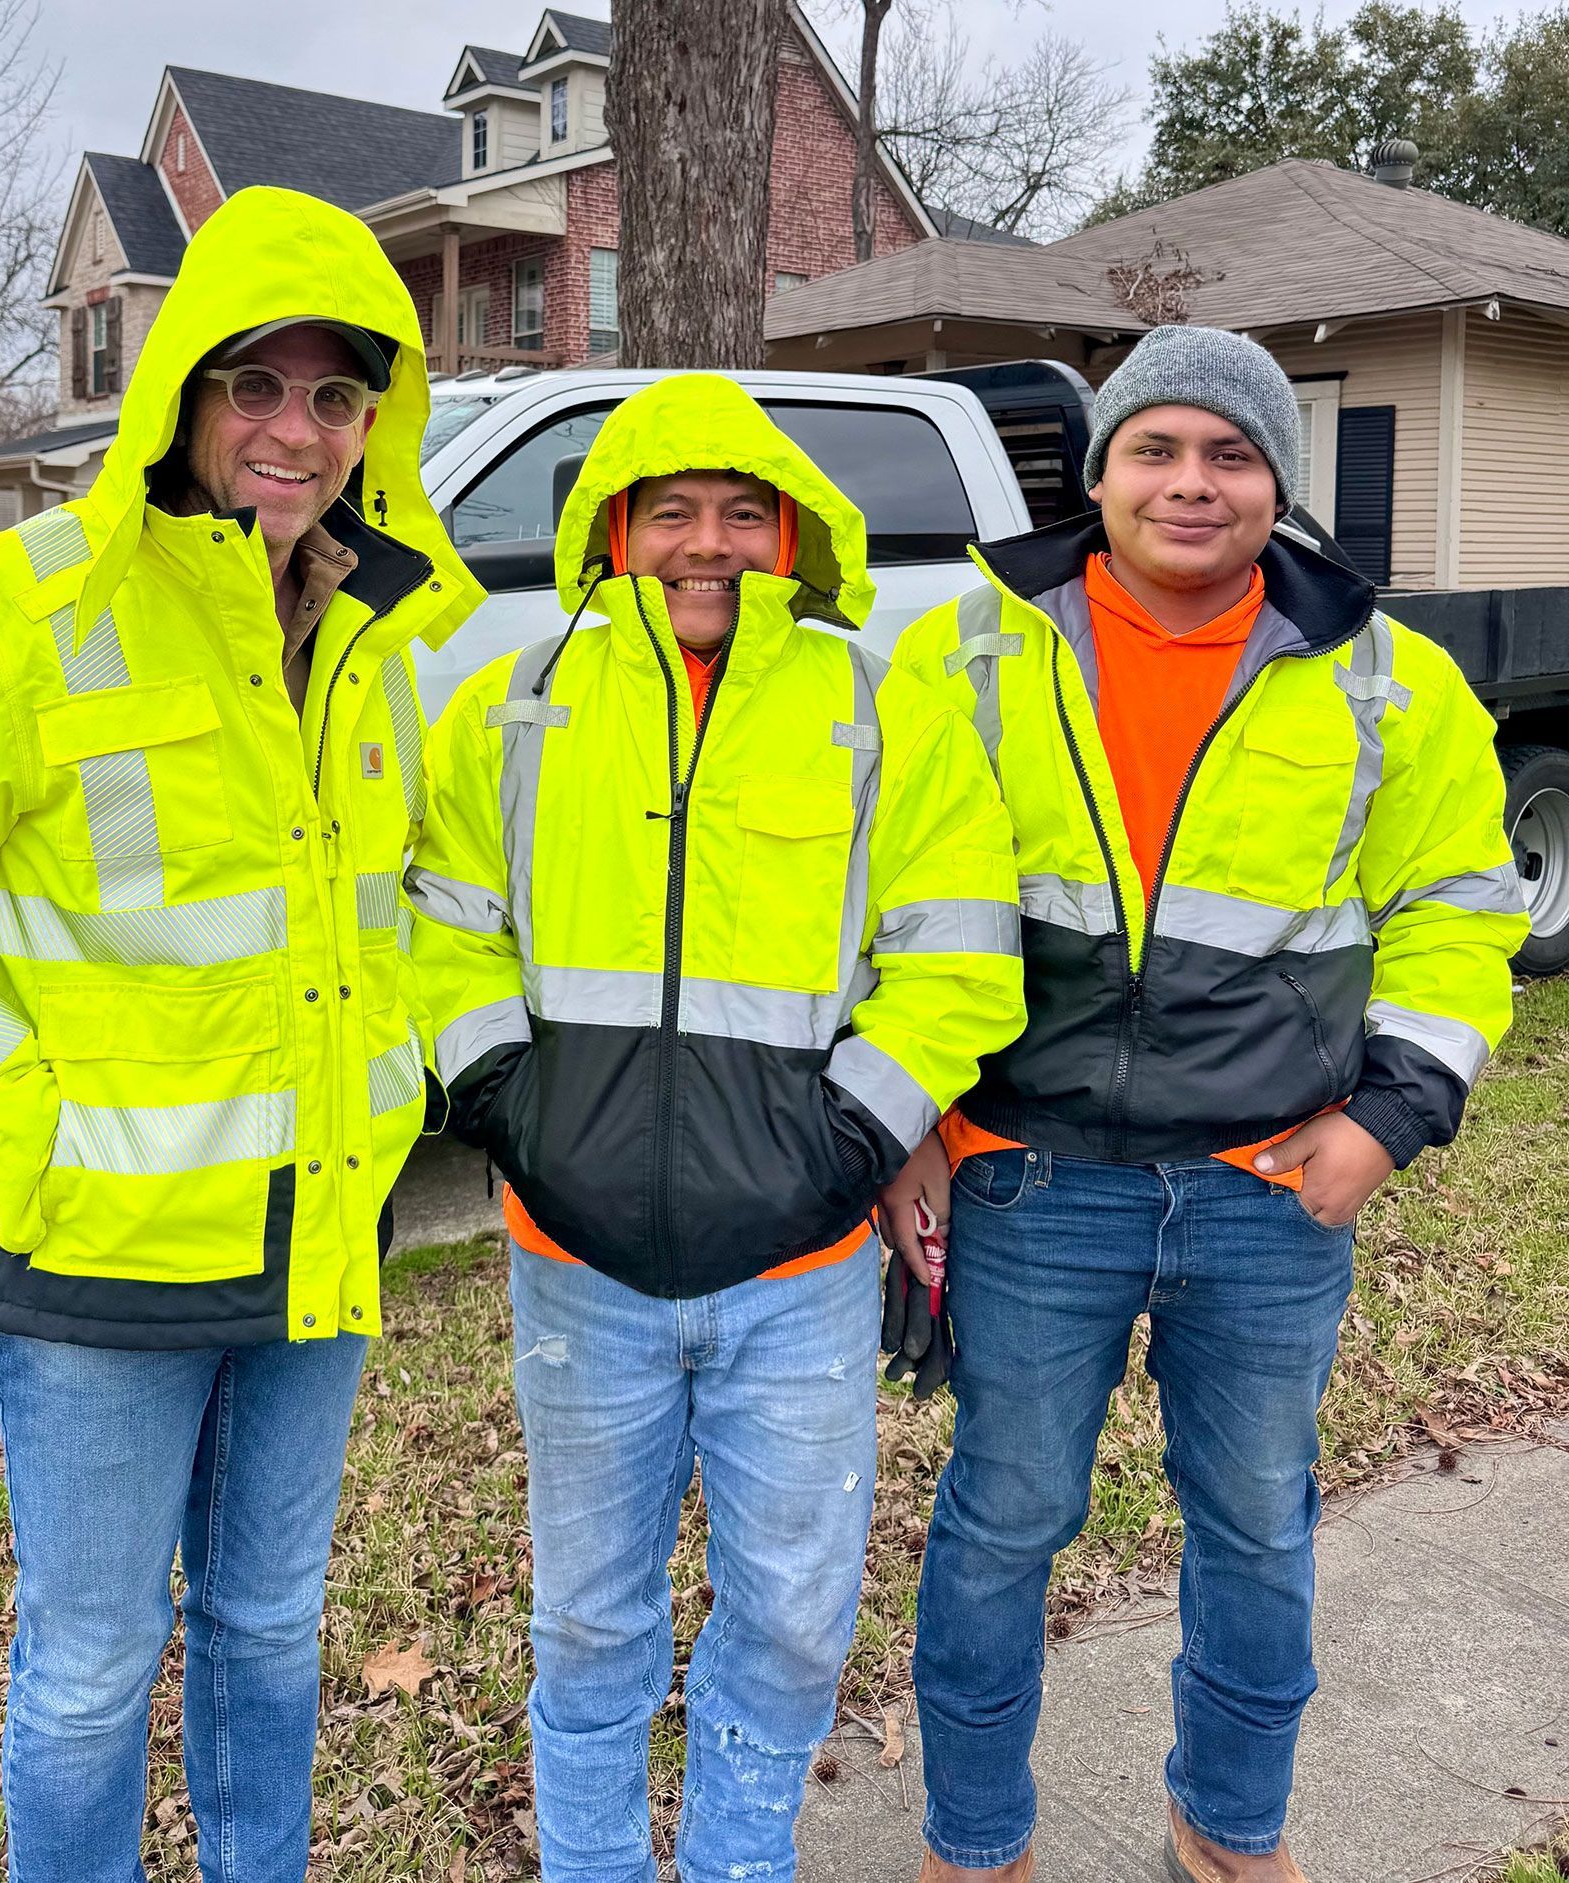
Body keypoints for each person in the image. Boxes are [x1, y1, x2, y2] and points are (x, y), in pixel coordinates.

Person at [0, 187, 479, 1883]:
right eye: (255, 385)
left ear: (378, 421)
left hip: (315, 1236)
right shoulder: (8, 612)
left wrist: (401, 1099)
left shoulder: (377, 639)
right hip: (96, 1256)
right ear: (180, 391)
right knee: (88, 1672)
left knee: (267, 1630)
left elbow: (407, 906)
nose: (293, 431)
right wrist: (27, 1134)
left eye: (334, 394)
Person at [881, 324, 1528, 1883]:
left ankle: (1227, 1828)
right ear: (1098, 472)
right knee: (1006, 1520)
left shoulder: (1387, 677)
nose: (1192, 482)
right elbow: (880, 907)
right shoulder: (968, 649)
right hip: (1030, 1180)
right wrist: (905, 1126)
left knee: (1254, 1523)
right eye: (1155, 448)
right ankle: (976, 1844)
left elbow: (1459, 905)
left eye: (1231, 454)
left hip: (1265, 1191)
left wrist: (1388, 1120)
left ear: (1278, 488)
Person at [406, 373, 1025, 1883]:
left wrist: (845, 1145)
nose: (707, 543)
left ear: (795, 534)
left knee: (796, 1610)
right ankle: (596, 1867)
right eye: (669, 510)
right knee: (592, 1615)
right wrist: (510, 1108)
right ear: (610, 532)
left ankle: (742, 1862)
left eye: (741, 512)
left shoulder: (884, 704)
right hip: (578, 1267)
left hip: (800, 1269)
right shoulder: (516, 706)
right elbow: (439, 935)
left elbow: (960, 957)